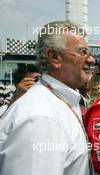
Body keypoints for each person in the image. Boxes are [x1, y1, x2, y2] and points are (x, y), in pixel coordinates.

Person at [0, 21, 95, 175]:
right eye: (82, 52)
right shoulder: (41, 118)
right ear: (54, 57)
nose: (91, 60)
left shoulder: (60, 101)